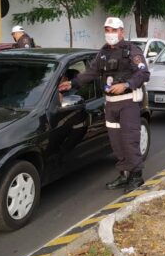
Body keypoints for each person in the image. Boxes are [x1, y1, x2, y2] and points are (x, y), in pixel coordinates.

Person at [57, 17, 150, 192]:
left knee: (129, 140)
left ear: (121, 32)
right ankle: (124, 174)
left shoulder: (132, 50)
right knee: (116, 142)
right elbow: (91, 72)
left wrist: (126, 85)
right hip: (110, 104)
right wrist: (73, 83)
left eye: (113, 30)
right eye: (107, 30)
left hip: (128, 102)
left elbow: (144, 74)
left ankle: (136, 176)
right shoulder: (103, 52)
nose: (110, 34)